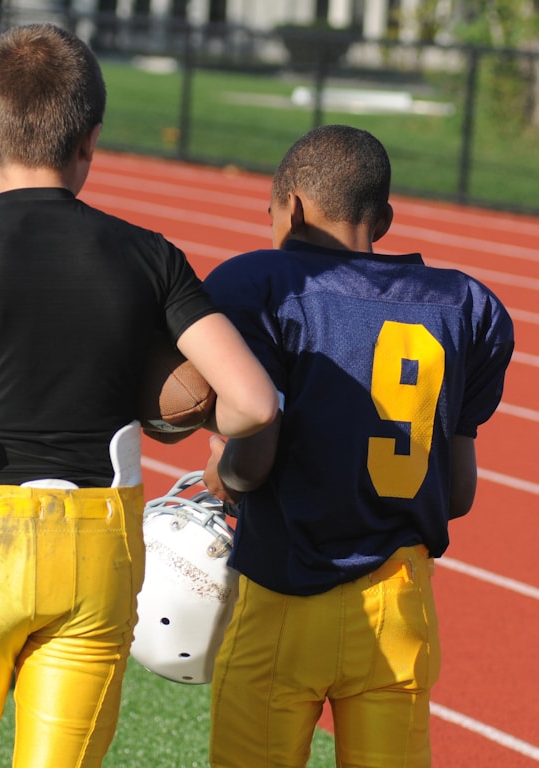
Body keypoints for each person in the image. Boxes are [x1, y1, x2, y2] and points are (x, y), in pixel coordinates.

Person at [0, 23, 279, 768]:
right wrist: (171, 412)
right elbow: (252, 403)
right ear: (90, 140)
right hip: (98, 548)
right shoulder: (151, 257)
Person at [202, 124, 514, 768]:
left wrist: (220, 475)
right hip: (400, 603)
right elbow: (457, 494)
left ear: (288, 207)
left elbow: (252, 463)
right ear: (386, 218)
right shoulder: (467, 306)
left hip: (283, 596)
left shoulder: (260, 285)